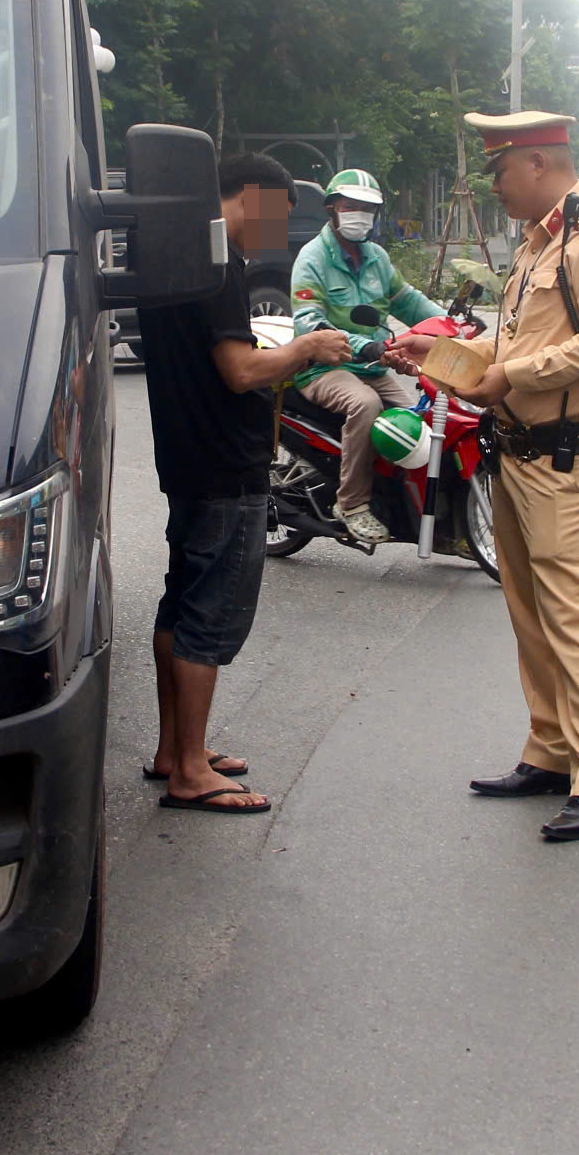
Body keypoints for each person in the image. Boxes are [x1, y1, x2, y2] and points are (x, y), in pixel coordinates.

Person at [389, 111, 579, 843]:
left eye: (499, 172)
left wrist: (508, 375)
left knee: (571, 616)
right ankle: (550, 751)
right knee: (529, 613)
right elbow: (513, 340)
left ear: (537, 162)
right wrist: (434, 351)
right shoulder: (537, 244)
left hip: (569, 455)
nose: (494, 186)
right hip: (518, 449)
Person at [135, 154, 353, 813]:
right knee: (209, 615)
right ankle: (191, 773)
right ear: (254, 197)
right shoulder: (218, 267)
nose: (279, 231)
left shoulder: (177, 259)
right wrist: (306, 350)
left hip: (186, 459)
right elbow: (238, 370)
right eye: (281, 214)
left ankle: (178, 750)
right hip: (224, 466)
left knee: (180, 604)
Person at [290, 168, 445, 543]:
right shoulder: (312, 258)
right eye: (351, 206)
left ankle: (404, 504)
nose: (360, 214)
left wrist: (448, 324)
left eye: (368, 209)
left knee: (416, 419)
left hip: (374, 364)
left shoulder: (376, 257)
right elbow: (310, 323)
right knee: (366, 405)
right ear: (332, 209)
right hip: (324, 368)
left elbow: (407, 301)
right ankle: (352, 503)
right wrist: (366, 346)